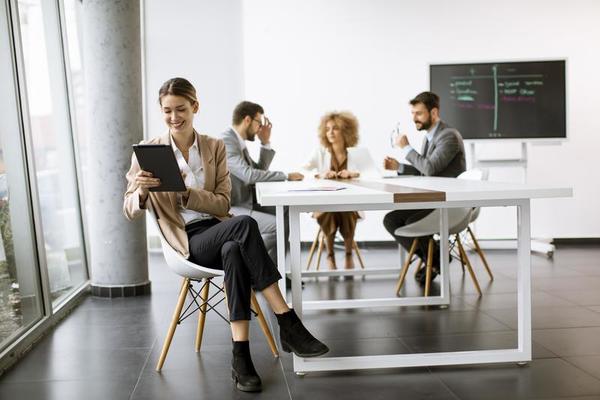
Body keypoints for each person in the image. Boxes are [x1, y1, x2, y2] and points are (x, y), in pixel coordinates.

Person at [123, 78, 328, 393]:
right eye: (167, 111)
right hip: (186, 241)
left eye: (181, 109)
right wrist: (140, 192)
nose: (174, 117)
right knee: (245, 225)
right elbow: (128, 209)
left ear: (195, 107)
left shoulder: (213, 147)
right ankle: (287, 321)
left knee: (234, 247)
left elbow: (222, 203)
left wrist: (187, 193)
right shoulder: (149, 151)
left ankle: (241, 358)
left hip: (218, 229)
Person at [382, 91, 466, 284]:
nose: (414, 119)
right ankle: (435, 259)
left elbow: (428, 168)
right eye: (413, 113)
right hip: (434, 199)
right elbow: (425, 168)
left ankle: (435, 260)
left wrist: (406, 148)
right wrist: (399, 167)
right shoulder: (429, 137)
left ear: (434, 113)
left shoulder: (449, 136)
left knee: (411, 220)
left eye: (418, 114)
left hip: (449, 203)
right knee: (391, 220)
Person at [220, 101, 303, 265]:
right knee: (279, 226)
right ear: (247, 120)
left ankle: (273, 271)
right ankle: (254, 267)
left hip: (246, 201)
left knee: (285, 211)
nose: (260, 128)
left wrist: (265, 142)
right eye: (259, 122)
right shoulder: (227, 141)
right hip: (233, 206)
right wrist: (286, 175)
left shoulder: (238, 142)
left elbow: (258, 170)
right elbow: (249, 175)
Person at [304, 111, 378, 270]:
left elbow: (373, 174)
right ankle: (330, 255)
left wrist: (355, 174)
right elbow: (301, 172)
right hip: (324, 205)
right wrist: (320, 174)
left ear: (345, 131)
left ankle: (348, 253)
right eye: (328, 129)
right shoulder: (320, 152)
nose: (330, 132)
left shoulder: (357, 153)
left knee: (346, 210)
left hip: (349, 204)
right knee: (330, 211)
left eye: (335, 128)